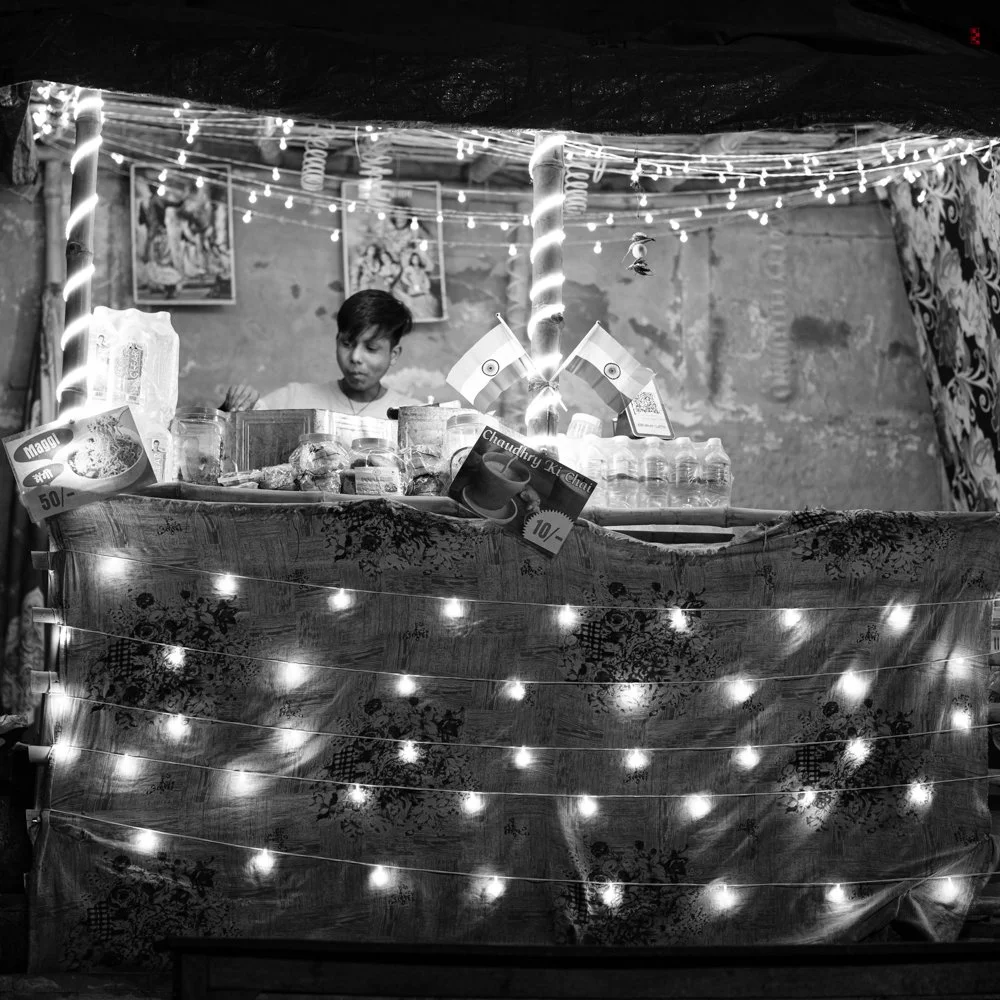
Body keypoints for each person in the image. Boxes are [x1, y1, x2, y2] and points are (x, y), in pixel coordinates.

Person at [221, 289, 422, 417]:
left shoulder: (411, 415)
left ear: (394, 354)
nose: (355, 357)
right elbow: (229, 431)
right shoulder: (295, 399)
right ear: (336, 341)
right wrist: (233, 407)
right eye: (347, 343)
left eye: (370, 348)